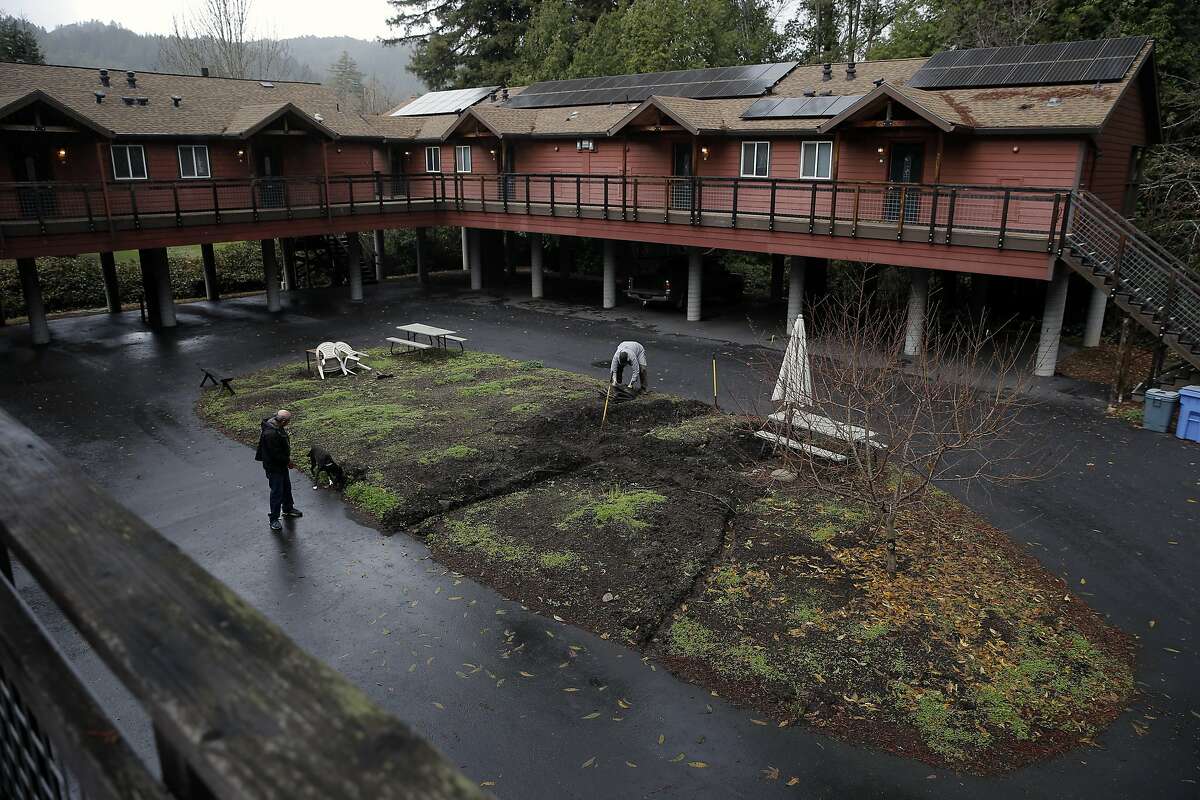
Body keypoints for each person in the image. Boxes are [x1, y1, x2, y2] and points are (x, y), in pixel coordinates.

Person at [255, 409, 301, 530]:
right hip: (274, 467)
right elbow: (276, 454)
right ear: (283, 420)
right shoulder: (271, 434)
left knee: (286, 487)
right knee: (276, 492)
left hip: (280, 465)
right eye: (288, 421)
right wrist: (288, 461)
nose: (288, 423)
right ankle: (274, 519)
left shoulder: (276, 425)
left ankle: (288, 508)